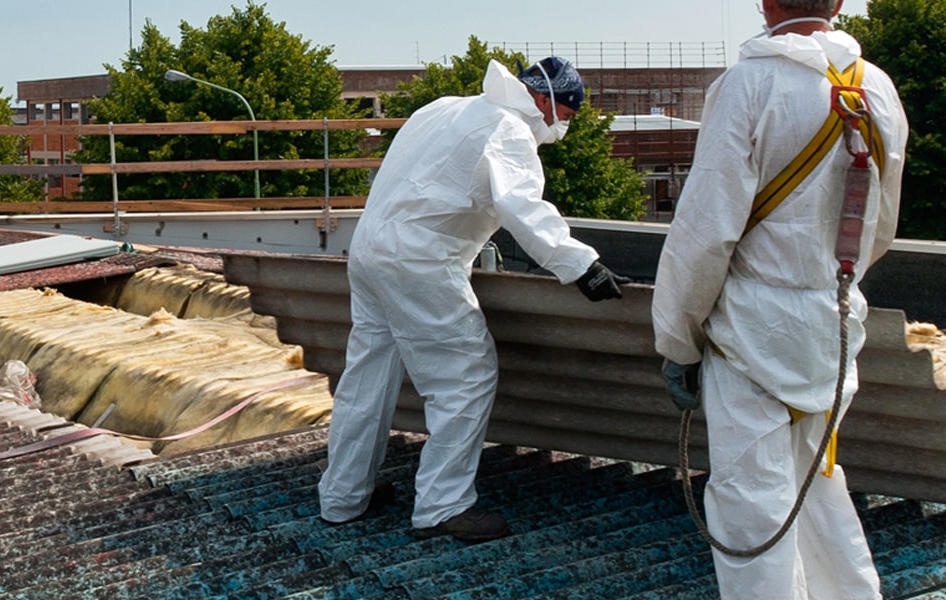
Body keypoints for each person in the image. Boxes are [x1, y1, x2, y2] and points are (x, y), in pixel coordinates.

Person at [651, 0, 909, 597]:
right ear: (839, 4)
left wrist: (678, 340)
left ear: (765, 3)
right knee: (816, 482)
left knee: (752, 504)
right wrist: (821, 285)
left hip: (751, 331)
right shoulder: (877, 86)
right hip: (832, 322)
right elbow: (882, 224)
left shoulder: (747, 85)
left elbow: (705, 233)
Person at [317, 55, 628, 541]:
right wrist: (581, 266)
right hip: (419, 260)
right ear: (544, 100)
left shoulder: (444, 108)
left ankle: (343, 495)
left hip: (369, 249)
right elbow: (521, 205)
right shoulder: (509, 129)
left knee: (369, 374)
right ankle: (442, 506)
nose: (560, 129)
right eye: (564, 118)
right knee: (465, 374)